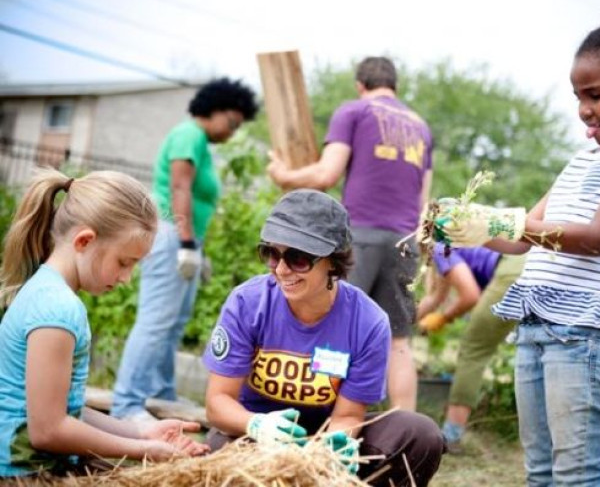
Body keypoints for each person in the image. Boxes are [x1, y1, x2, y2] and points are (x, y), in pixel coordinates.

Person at [437, 0, 600, 484]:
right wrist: (474, 226)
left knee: (575, 473)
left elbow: (596, 238)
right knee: (539, 471)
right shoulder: (582, 159)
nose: (583, 111)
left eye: (594, 95)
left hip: (587, 334)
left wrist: (503, 223)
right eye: (578, 96)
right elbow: (522, 240)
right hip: (535, 326)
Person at [202, 189, 444, 487]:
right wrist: (257, 425)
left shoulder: (368, 322)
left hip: (325, 432)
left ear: (333, 261)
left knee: (419, 433)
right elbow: (218, 402)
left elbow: (349, 415)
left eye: (298, 258)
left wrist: (328, 452)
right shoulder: (246, 304)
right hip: (254, 435)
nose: (281, 269)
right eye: (271, 253)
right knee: (218, 450)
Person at [0, 169, 209, 478]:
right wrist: (142, 451)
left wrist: (139, 432)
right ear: (84, 240)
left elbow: (65, 409)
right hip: (25, 475)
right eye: (124, 262)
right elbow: (47, 429)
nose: (126, 278)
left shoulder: (45, 291)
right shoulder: (57, 309)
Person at [267, 57, 433, 411]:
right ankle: (404, 429)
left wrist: (285, 176)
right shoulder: (421, 127)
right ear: (395, 86)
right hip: (405, 242)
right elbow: (424, 201)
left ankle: (327, 419)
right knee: (399, 343)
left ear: (361, 84)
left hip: (360, 235)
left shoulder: (354, 111)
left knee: (337, 325)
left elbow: (327, 173)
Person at [112, 78, 258, 420]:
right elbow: (180, 188)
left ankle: (162, 395)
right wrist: (189, 244)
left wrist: (197, 247)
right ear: (214, 109)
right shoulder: (188, 135)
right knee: (155, 321)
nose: (232, 132)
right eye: (232, 123)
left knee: (173, 322)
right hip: (171, 236)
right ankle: (126, 403)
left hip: (184, 238)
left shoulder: (200, 143)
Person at [416, 243, 525, 453]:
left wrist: (444, 317)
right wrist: (400, 325)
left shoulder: (439, 248)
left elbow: (470, 295)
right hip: (534, 266)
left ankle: (451, 436)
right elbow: (436, 298)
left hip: (512, 272)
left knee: (473, 349)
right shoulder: (452, 241)